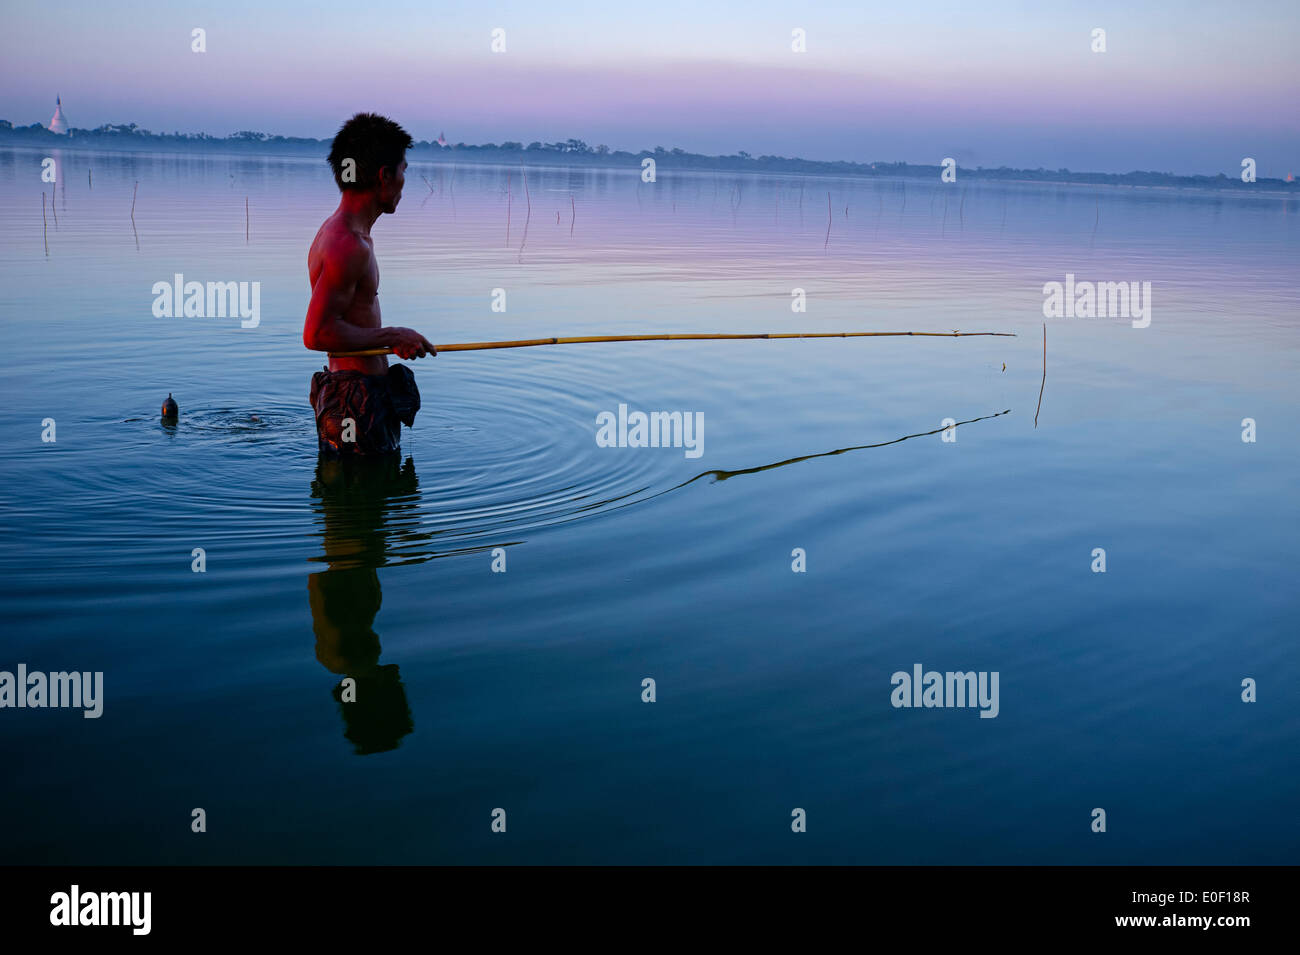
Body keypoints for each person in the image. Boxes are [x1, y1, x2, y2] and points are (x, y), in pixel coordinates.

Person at [304, 113, 437, 455]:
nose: (406, 183)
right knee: (357, 504)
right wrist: (394, 336)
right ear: (384, 176)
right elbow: (316, 334)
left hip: (360, 400)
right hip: (354, 407)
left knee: (359, 504)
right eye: (404, 171)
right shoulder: (345, 244)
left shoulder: (347, 235)